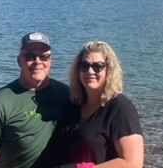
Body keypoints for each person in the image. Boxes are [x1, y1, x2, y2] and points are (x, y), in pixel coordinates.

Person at [0, 32, 77, 168]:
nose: (38, 62)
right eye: (30, 56)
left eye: (44, 57)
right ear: (19, 61)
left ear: (51, 61)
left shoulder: (66, 94)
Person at [56, 40, 144, 168]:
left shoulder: (121, 109)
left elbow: (133, 163)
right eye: (84, 65)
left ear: (109, 70)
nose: (90, 71)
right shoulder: (74, 104)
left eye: (97, 66)